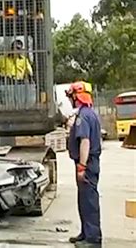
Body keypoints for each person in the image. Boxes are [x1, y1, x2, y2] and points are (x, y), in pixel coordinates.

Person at [66, 81, 102, 246]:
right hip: (89, 163)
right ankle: (85, 233)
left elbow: (85, 142)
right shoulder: (90, 114)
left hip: (87, 164)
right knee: (84, 199)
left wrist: (81, 166)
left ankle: (93, 239)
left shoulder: (84, 117)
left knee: (89, 201)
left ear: (76, 97)